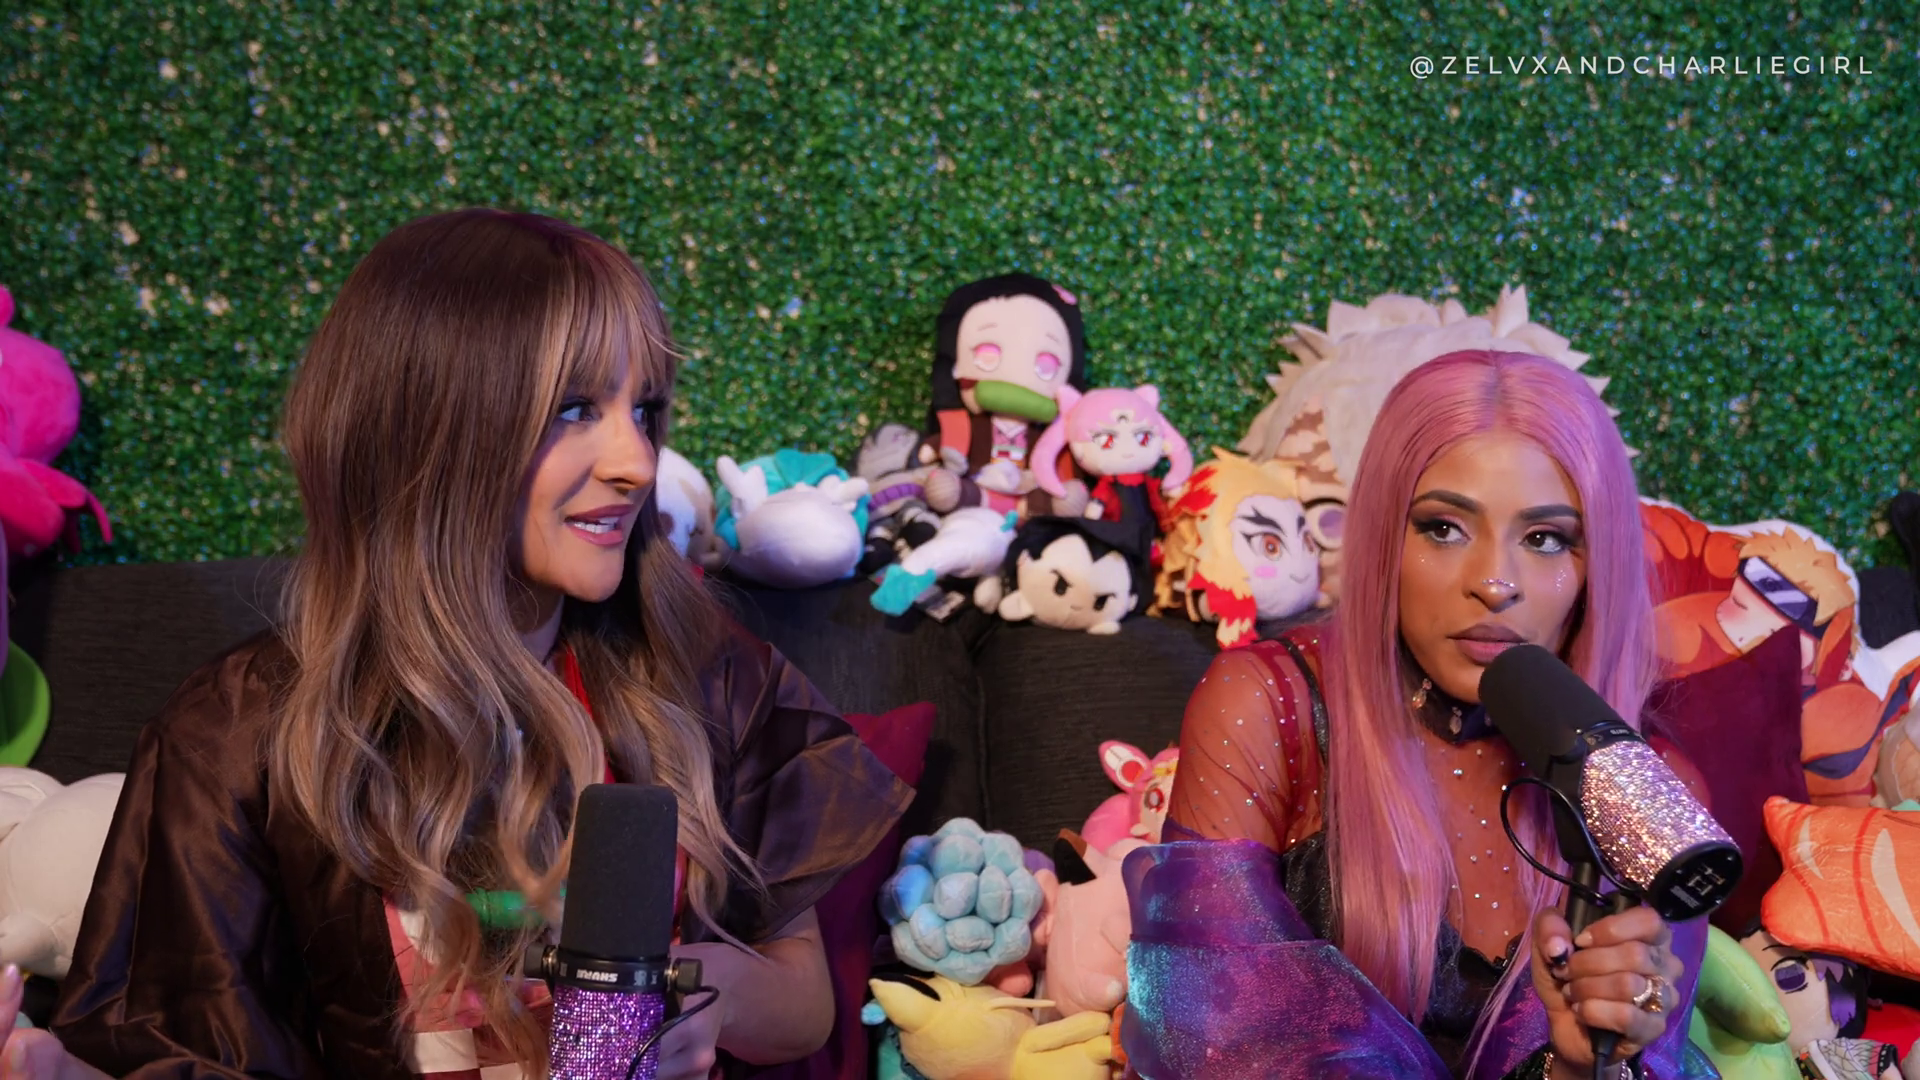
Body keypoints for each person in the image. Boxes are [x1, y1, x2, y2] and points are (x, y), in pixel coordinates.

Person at [0, 208, 912, 1079]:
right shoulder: (236, 732)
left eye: (644, 409)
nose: (636, 462)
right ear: (428, 431)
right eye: (573, 408)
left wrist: (701, 993)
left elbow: (804, 1006)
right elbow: (185, 1047)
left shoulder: (699, 666)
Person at [1122, 350, 1713, 1079]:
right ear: (1383, 539)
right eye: (1444, 527)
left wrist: (1583, 1063)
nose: (1494, 582)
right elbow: (1209, 1044)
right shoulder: (1268, 705)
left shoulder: (1652, 797)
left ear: (1596, 569)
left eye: (1545, 539)